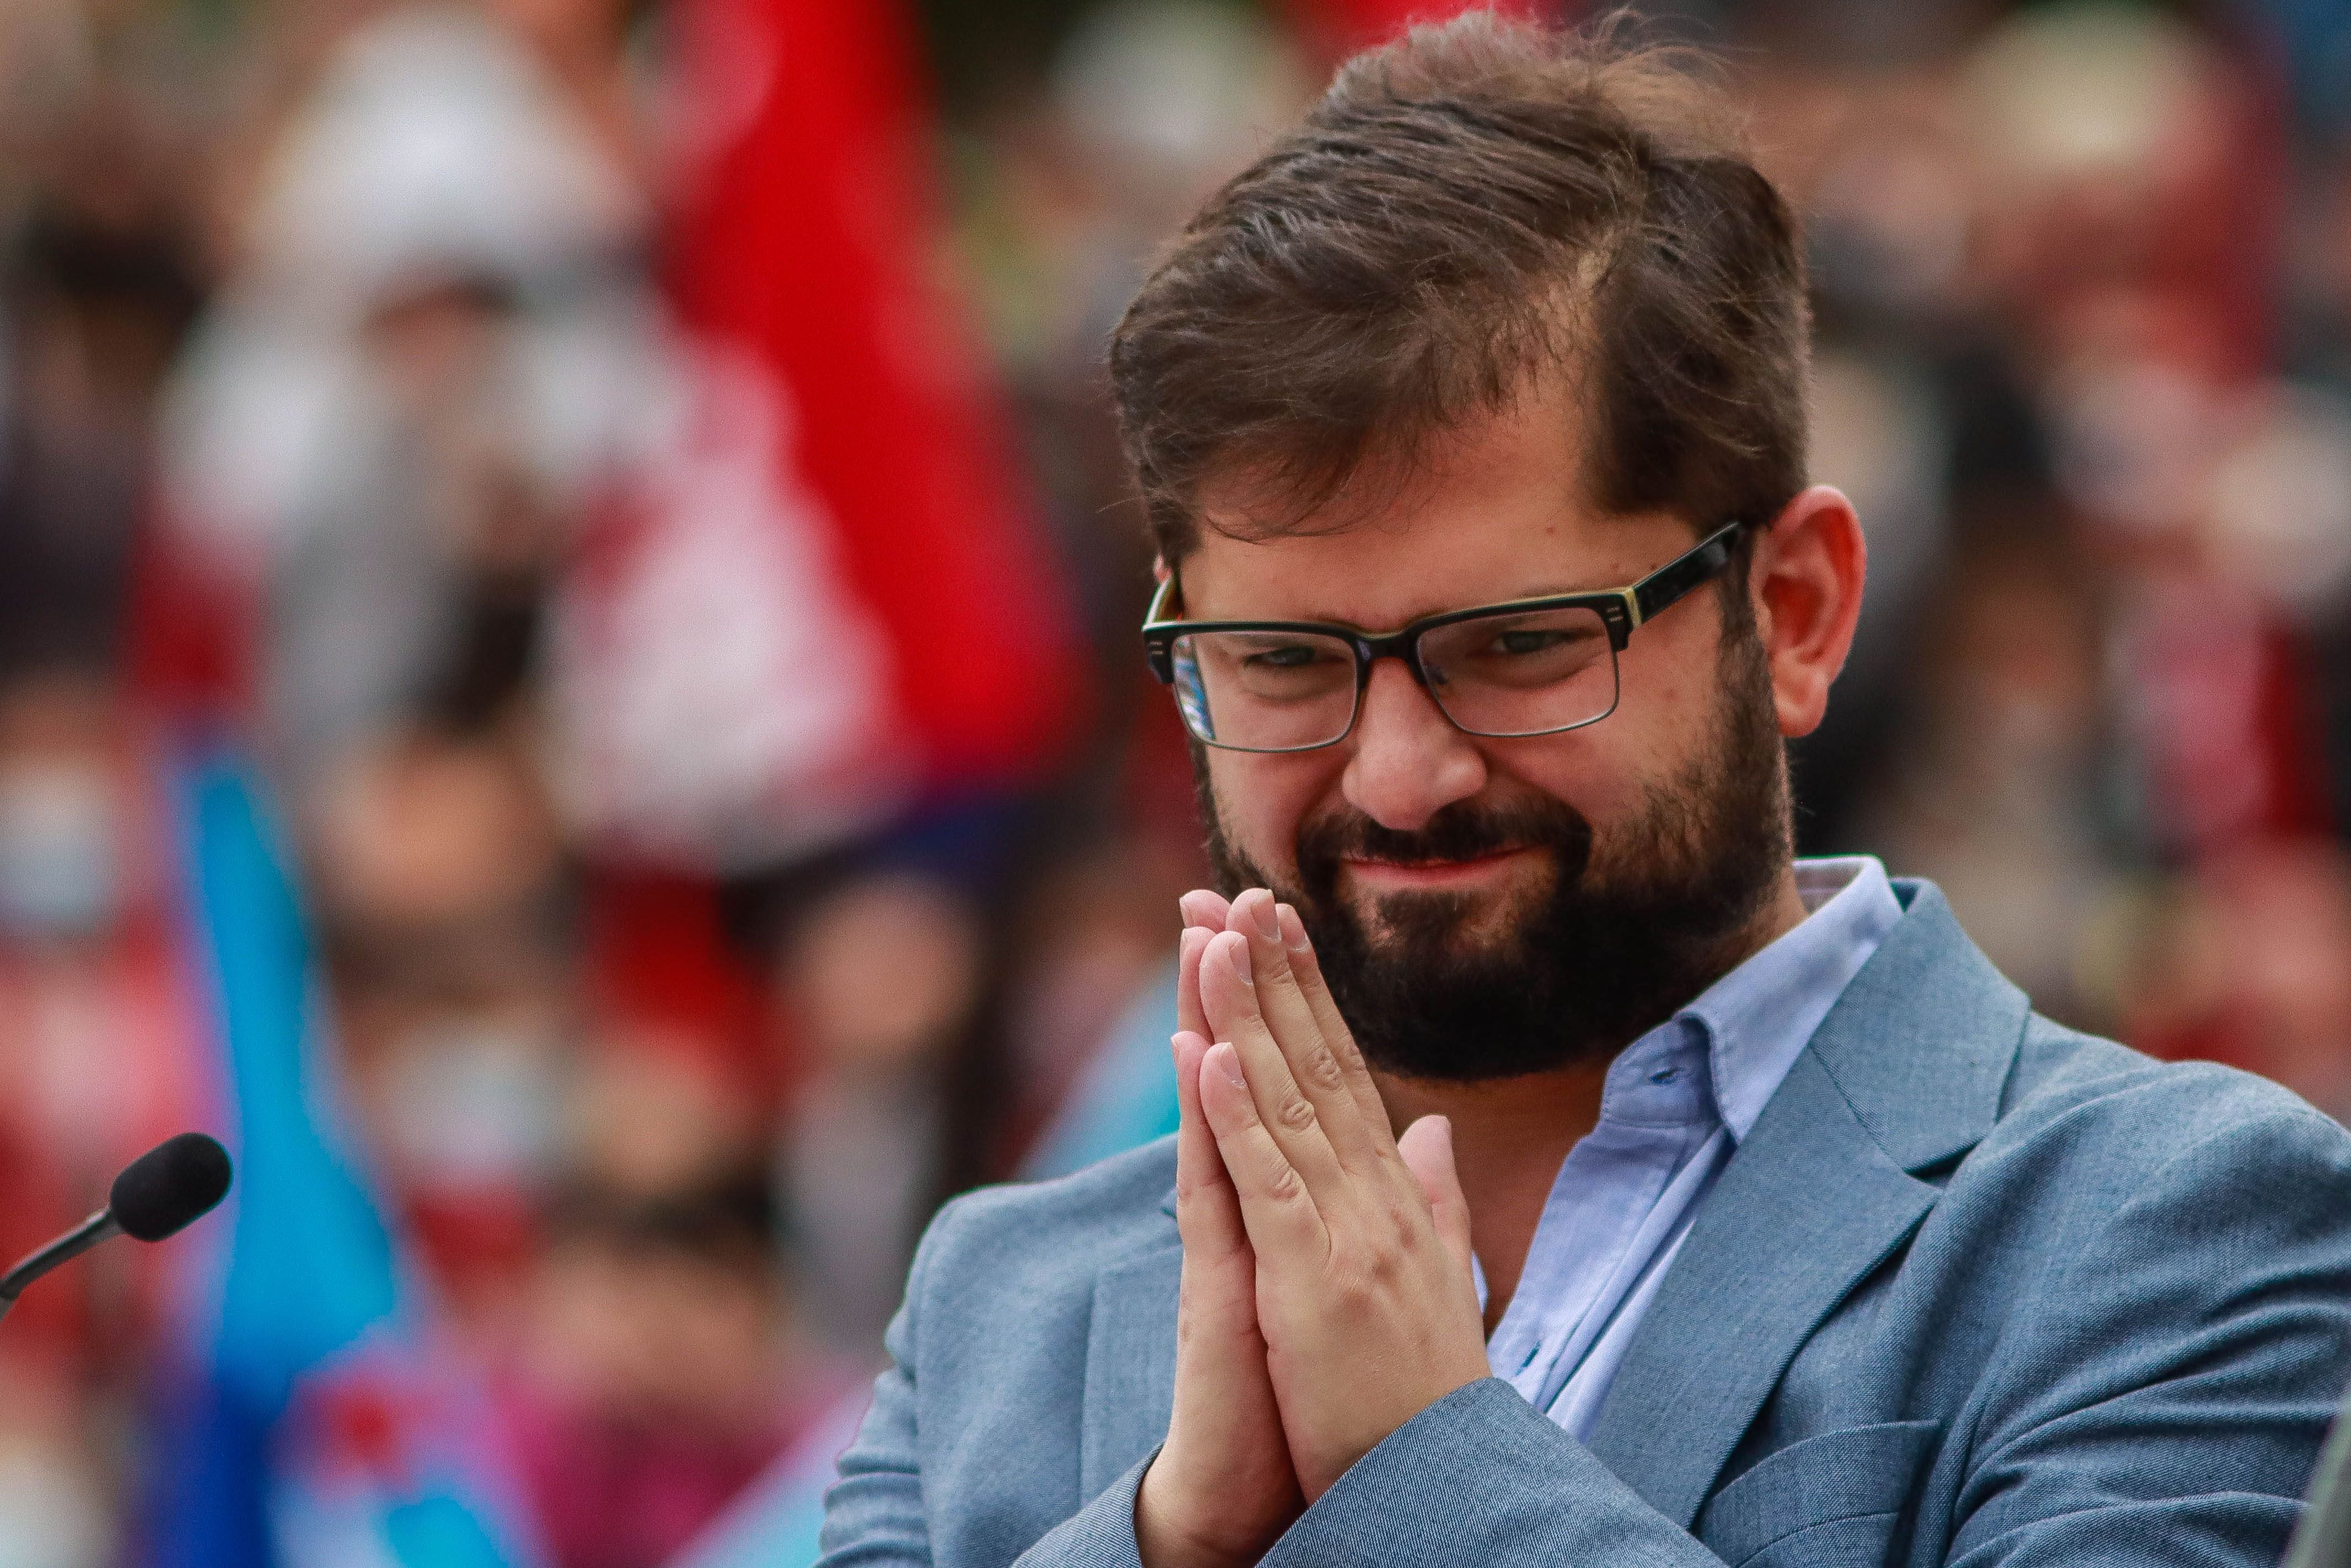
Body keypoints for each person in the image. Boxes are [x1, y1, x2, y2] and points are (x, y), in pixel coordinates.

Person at [817, 15, 2351, 1568]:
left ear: (1796, 610)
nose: (1402, 778)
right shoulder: (1000, 1307)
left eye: (1520, 647)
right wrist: (1172, 1542)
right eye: (1284, 662)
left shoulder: (2174, 1228)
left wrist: (1417, 1462)